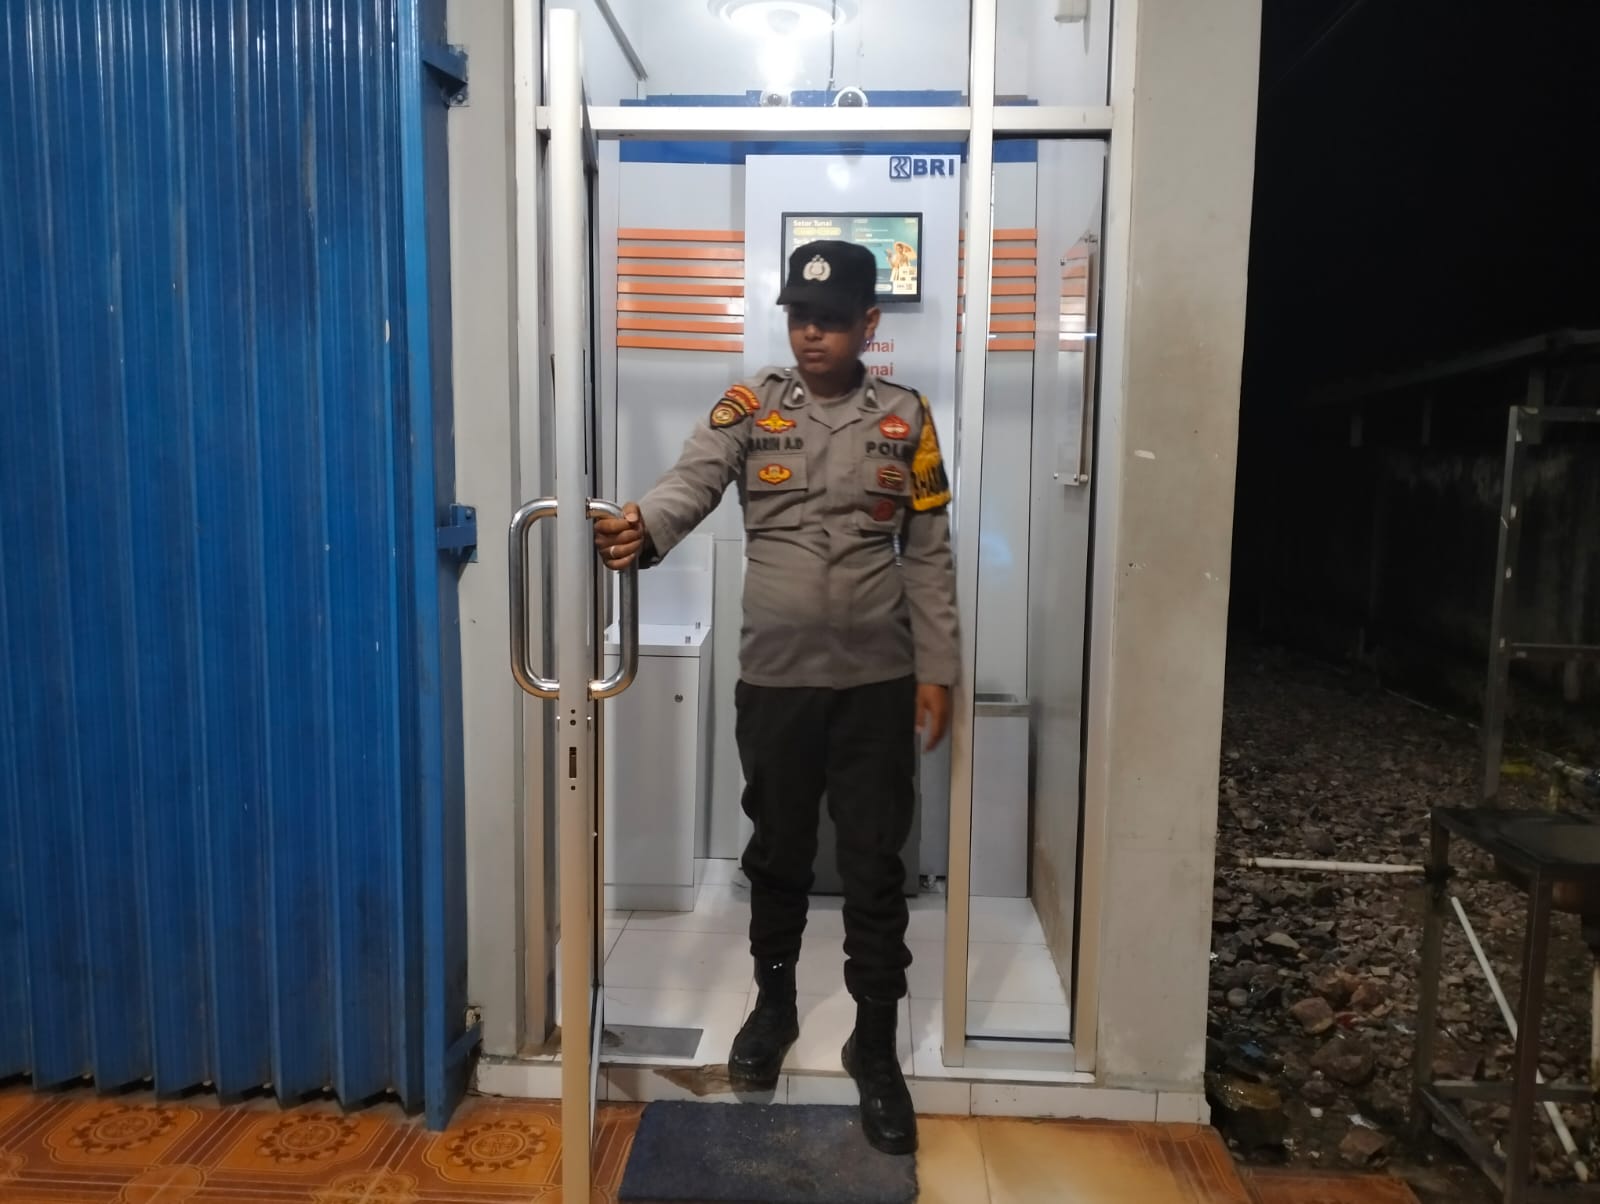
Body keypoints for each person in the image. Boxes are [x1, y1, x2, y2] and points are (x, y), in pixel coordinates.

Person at [594, 239, 959, 1155]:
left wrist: (938, 668)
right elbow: (694, 478)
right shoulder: (753, 405)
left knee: (875, 863)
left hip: (876, 681)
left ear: (867, 325)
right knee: (778, 853)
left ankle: (875, 1042)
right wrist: (646, 523)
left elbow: (928, 552)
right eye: (800, 317)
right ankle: (774, 1007)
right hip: (777, 681)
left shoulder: (907, 418)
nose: (812, 335)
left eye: (831, 320)